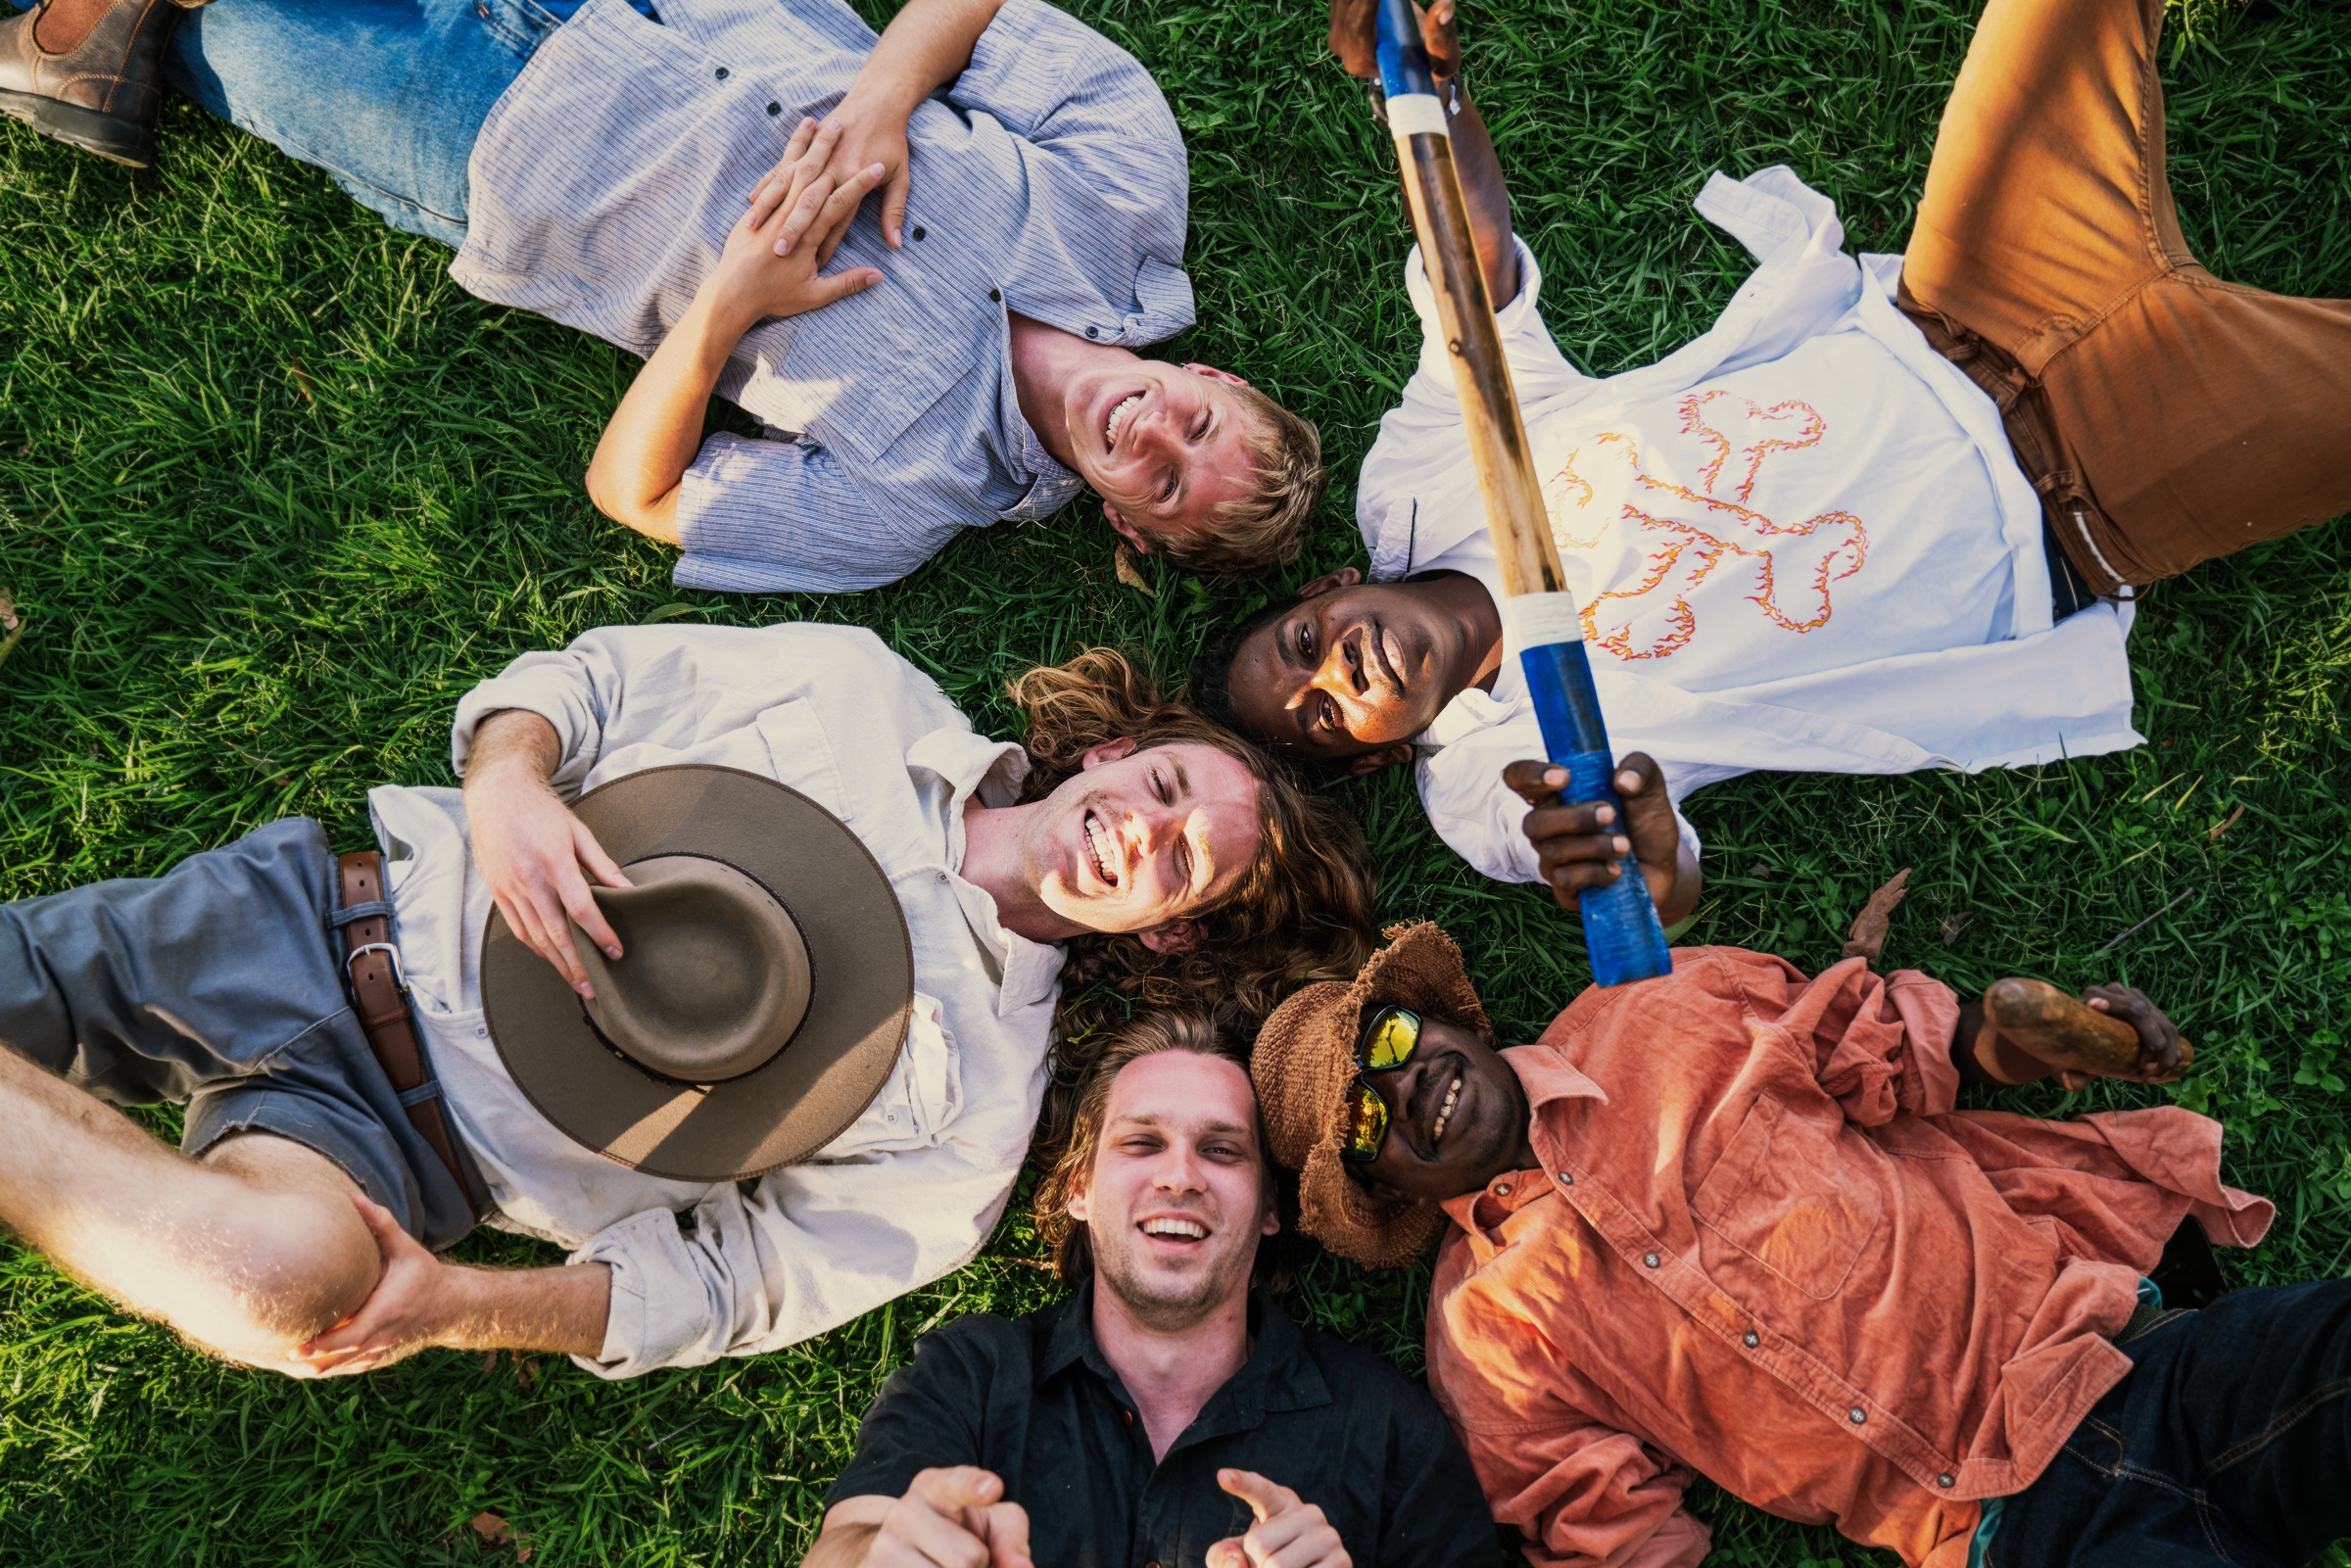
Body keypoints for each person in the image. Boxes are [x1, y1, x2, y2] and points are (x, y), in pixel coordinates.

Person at [1194, 0, 2351, 908]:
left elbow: (1472, 278)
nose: (1338, 672)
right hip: (2097, 490)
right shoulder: (1490, 766)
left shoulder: (1417, 486)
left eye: (1303, 644)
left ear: (1328, 587)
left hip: (1968, 294)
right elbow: (1631, 870)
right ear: (1375, 762)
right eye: (1323, 716)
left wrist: (1430, 97)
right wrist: (1632, 850)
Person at [0, 626, 1377, 1382]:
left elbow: (734, 1284)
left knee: (280, 1292)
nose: (1143, 830)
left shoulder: (977, 1124)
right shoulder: (865, 692)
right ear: (1115, 751)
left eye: (1184, 862)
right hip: (314, 919)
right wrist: (508, 781)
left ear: (1168, 931)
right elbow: (587, 685)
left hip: (388, 1157)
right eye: (1165, 787)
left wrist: (453, 1304)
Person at [1243, 782, 2351, 1568]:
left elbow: (1893, 1049)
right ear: (1378, 1184)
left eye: (1390, 1041)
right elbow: (1612, 1535)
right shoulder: (1487, 1340)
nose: (1404, 1086)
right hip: (2013, 1531)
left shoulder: (1658, 1012)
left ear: (1437, 1016)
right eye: (1362, 1119)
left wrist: (2027, 1042)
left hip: (2125, 1351)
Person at [0, 0, 1324, 590]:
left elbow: (632, 495)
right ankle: (73, 51)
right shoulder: (1126, 198)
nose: (1150, 434)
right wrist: (884, 98)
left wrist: (729, 305)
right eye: (1196, 425)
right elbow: (976, 9)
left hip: (492, 139)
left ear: (1126, 524)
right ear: (1209, 379)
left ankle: (74, 40)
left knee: (220, 27)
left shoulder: (912, 503)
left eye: (1161, 483)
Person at [806, 1010, 1500, 1568]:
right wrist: (880, 1555)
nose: (1180, 1176)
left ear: (1269, 1207)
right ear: (1080, 1188)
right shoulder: (974, 1377)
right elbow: (849, 1537)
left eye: (1222, 1150)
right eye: (1141, 1143)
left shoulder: (1389, 1430)